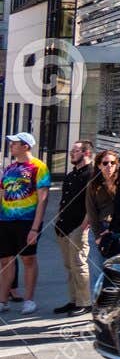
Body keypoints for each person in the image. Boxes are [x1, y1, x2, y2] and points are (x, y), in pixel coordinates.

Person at [0, 133, 51, 316]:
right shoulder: (9, 168)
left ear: (25, 146)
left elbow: (43, 198)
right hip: (5, 220)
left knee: (28, 259)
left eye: (14, 143)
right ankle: (3, 300)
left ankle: (29, 300)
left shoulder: (39, 167)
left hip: (27, 221)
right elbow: (1, 193)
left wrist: (35, 228)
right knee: (5, 261)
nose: (11, 146)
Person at [52, 140, 96, 315]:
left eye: (75, 151)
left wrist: (86, 223)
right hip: (64, 225)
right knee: (69, 266)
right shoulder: (71, 175)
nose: (71, 153)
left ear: (86, 153)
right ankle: (74, 300)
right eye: (71, 151)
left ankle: (85, 302)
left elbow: (93, 202)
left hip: (79, 226)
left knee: (79, 264)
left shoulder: (92, 174)